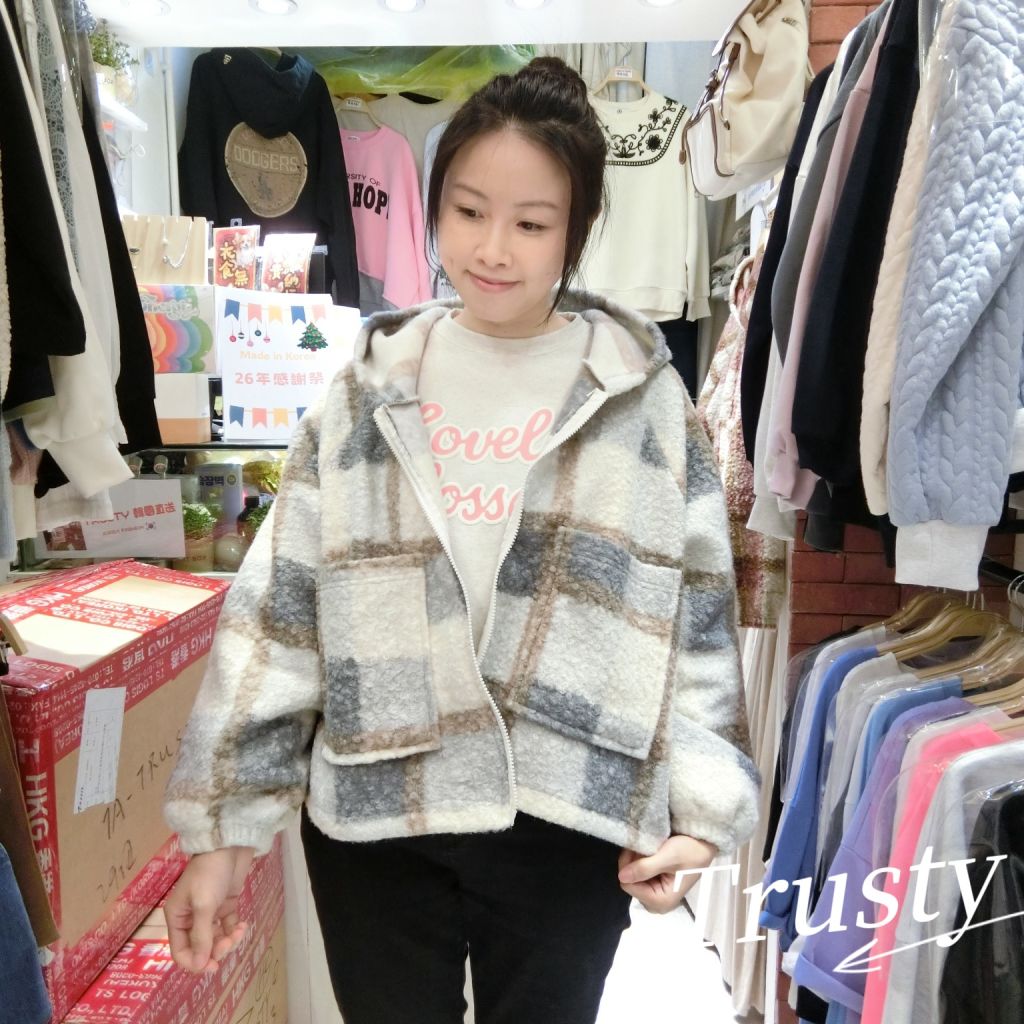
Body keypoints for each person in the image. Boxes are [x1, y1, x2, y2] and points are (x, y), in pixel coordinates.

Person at [162, 56, 760, 1024]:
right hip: (379, 808)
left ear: (577, 230)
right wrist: (224, 826)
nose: (492, 248)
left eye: (532, 223)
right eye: (469, 210)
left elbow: (695, 615)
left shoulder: (640, 396)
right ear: (433, 206)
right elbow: (280, 609)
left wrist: (701, 808)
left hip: (567, 806)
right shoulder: (369, 386)